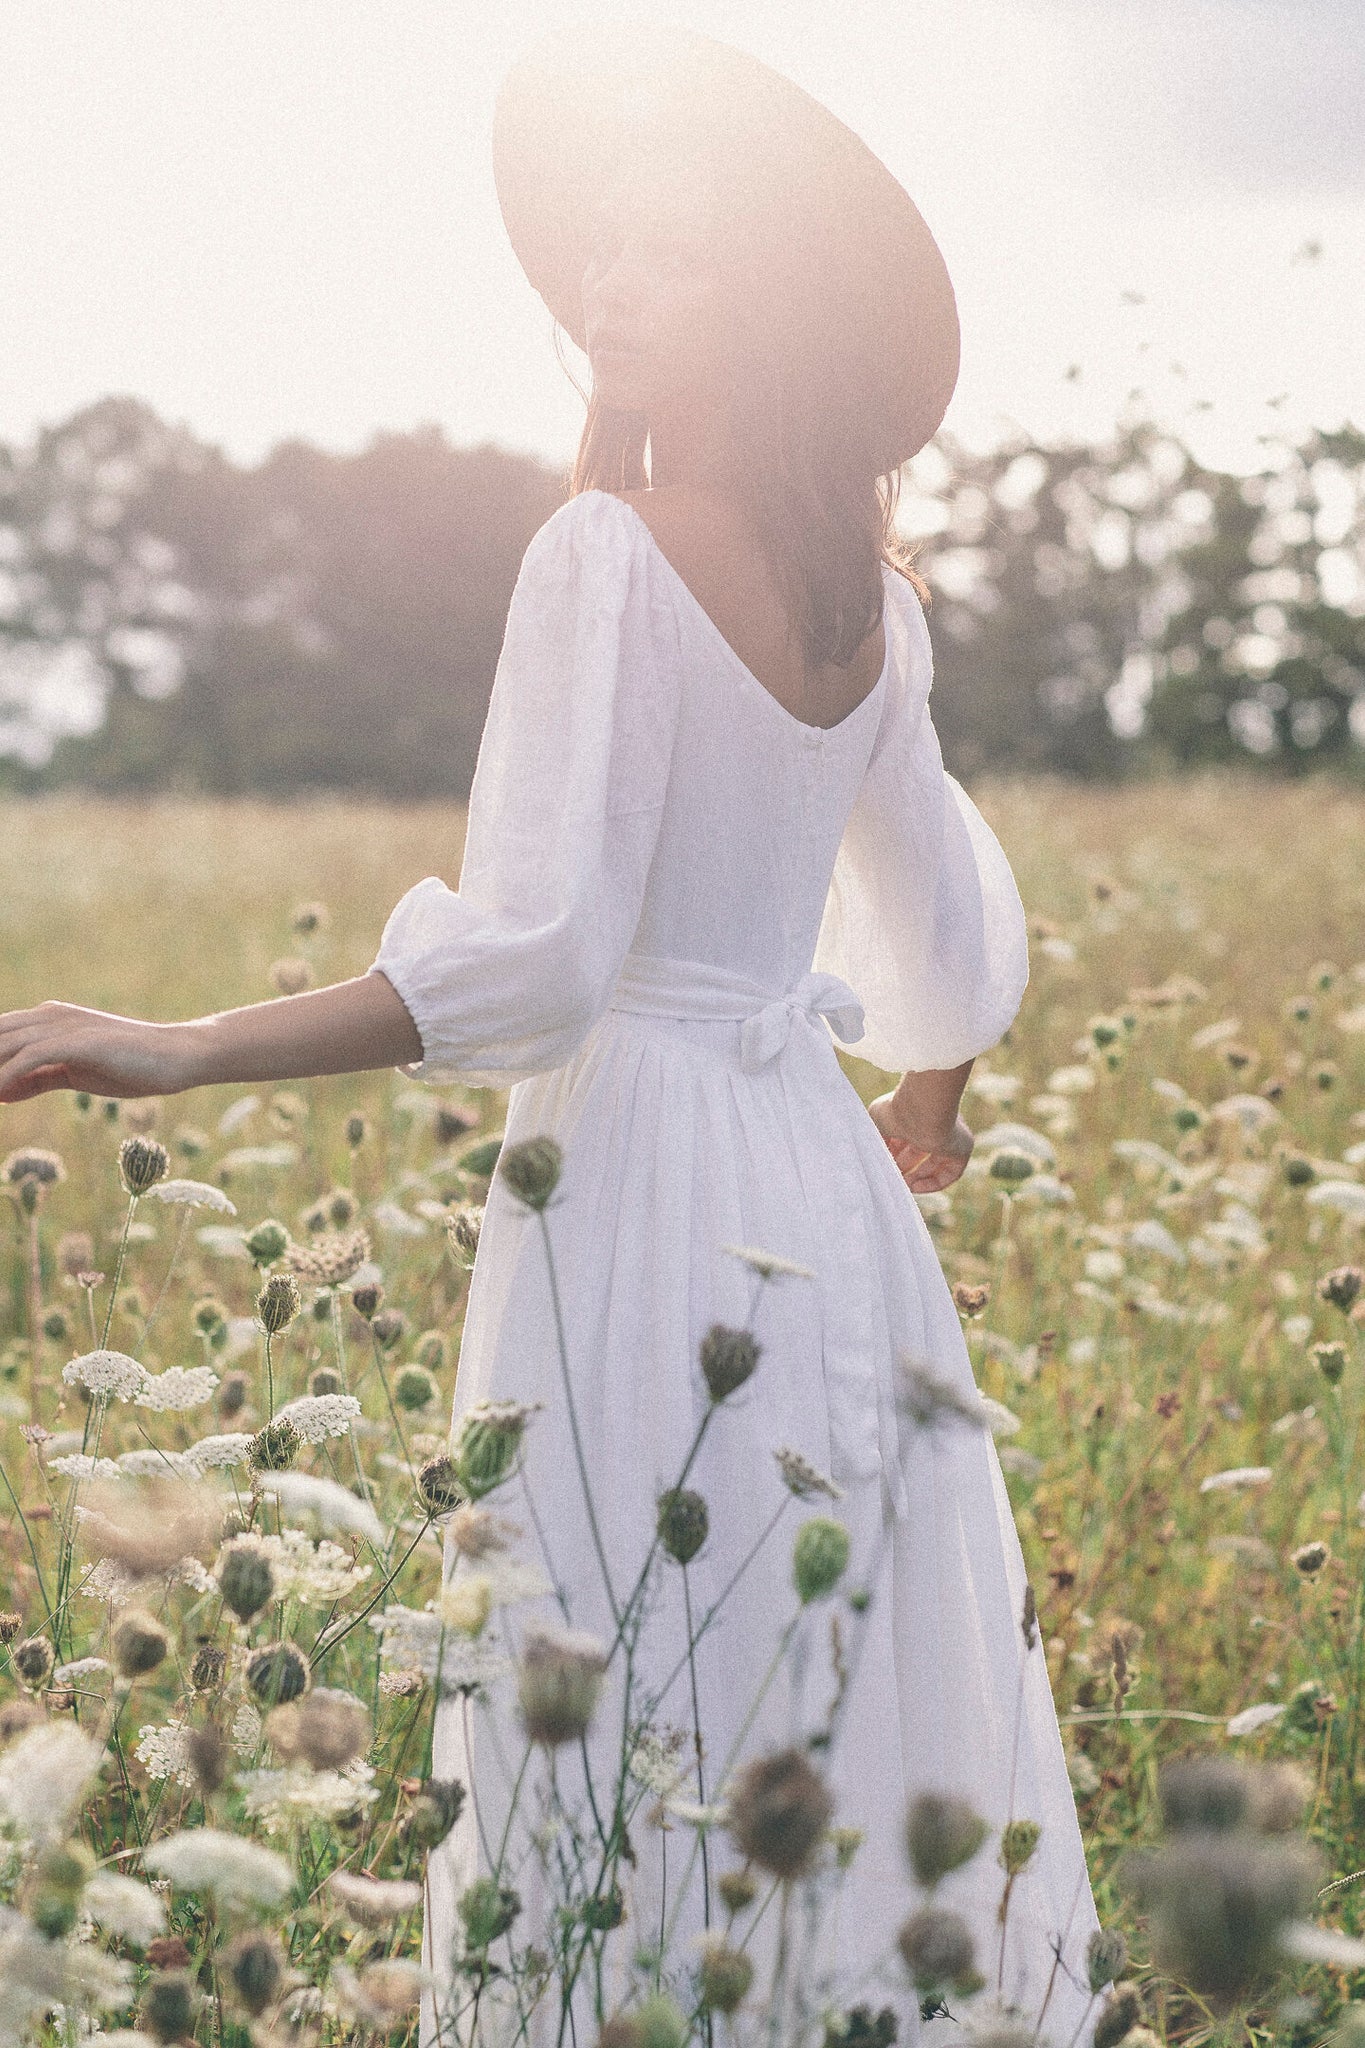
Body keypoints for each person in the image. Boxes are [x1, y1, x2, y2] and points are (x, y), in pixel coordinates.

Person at [0, 23, 1103, 2046]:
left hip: (640, 1171)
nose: (604, 284)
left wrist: (170, 1042)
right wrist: (927, 1093)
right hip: (817, 1193)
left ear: (750, 305)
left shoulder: (600, 550)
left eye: (665, 255)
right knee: (805, 1669)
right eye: (597, 248)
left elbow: (541, 961)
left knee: (608, 1664)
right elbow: (937, 914)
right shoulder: (868, 591)